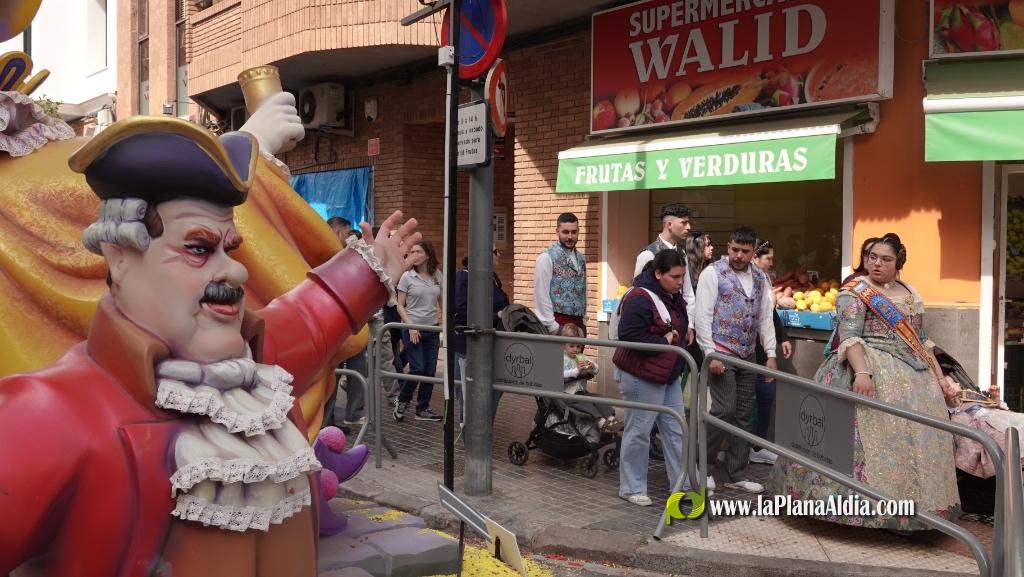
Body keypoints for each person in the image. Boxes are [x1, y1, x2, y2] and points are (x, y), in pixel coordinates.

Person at [0, 115, 420, 575]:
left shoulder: (254, 373)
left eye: (230, 249)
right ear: (120, 258)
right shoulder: (49, 415)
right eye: (199, 249)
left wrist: (371, 268)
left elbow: (308, 319)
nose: (235, 272)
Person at [771, 233, 961, 532]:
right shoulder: (856, 291)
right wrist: (862, 372)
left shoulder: (909, 291)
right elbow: (850, 335)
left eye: (886, 259)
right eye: (872, 257)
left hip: (915, 379)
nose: (877, 263)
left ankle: (918, 514)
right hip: (866, 370)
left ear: (898, 262)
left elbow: (922, 341)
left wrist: (942, 380)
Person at [694, 226, 777, 494]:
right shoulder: (712, 273)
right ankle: (702, 467)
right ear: (728, 246)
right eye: (734, 249)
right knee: (724, 410)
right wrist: (709, 353)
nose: (739, 255)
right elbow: (702, 315)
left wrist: (771, 354)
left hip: (748, 354)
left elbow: (765, 317)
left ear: (754, 252)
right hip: (721, 350)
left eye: (745, 251)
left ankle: (737, 472)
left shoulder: (761, 277)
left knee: (743, 414)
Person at [613, 249, 689, 507]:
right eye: (675, 277)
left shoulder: (672, 296)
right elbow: (630, 336)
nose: (680, 282)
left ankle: (683, 486)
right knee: (639, 431)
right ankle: (632, 488)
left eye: (682, 277)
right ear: (658, 274)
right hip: (640, 375)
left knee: (676, 430)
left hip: (666, 375)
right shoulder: (639, 298)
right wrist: (663, 341)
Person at [749, 239, 793, 465]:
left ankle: (758, 445)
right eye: (768, 258)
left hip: (764, 348)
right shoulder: (744, 280)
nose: (771, 263)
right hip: (747, 348)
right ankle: (741, 446)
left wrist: (781, 338)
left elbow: (770, 313)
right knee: (744, 401)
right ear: (755, 258)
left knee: (766, 396)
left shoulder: (764, 279)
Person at [323, 216, 367, 429]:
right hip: (333, 325)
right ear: (338, 232)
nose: (349, 237)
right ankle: (327, 423)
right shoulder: (324, 253)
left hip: (353, 324)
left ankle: (353, 413)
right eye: (347, 232)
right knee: (329, 373)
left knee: (359, 369)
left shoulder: (346, 255)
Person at [393, 240, 444, 422]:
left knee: (429, 371)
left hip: (431, 329)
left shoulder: (437, 275)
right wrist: (411, 326)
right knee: (418, 368)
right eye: (411, 252)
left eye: (418, 251)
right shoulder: (407, 277)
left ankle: (422, 408)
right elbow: (400, 305)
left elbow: (442, 302)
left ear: (428, 255)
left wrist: (444, 325)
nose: (413, 255)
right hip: (412, 327)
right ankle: (403, 399)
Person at [634, 203, 696, 344]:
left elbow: (688, 293)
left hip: (680, 324)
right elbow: (637, 293)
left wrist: (689, 325)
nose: (689, 227)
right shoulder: (648, 254)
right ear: (669, 224)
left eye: (689, 223)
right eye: (684, 223)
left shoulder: (682, 253)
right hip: (655, 329)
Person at [534, 212, 587, 335]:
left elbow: (584, 289)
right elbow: (541, 294)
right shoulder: (546, 257)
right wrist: (553, 327)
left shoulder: (581, 258)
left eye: (574, 232)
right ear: (557, 231)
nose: (570, 236)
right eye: (565, 232)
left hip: (579, 325)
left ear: (578, 231)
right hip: (558, 324)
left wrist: (584, 321)